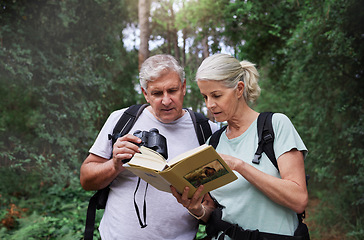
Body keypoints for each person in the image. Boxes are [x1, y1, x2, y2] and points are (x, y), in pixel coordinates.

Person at [80, 54, 218, 239]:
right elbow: (86, 180)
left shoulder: (207, 130)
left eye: (172, 90)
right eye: (157, 93)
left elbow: (215, 204)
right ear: (145, 94)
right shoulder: (122, 120)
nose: (166, 100)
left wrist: (199, 208)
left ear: (183, 87)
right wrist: (114, 165)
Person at [171, 53, 308, 239]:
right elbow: (212, 208)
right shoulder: (214, 143)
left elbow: (299, 200)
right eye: (205, 97)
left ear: (239, 89)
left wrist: (240, 166)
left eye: (216, 95)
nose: (209, 105)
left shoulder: (274, 126)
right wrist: (197, 210)